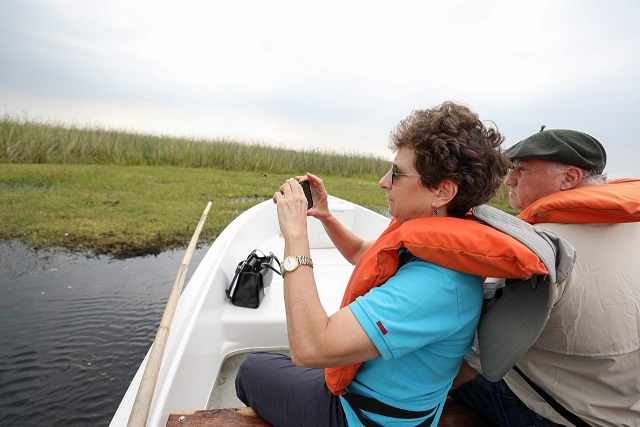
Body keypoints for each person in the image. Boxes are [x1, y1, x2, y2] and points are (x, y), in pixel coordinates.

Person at [234, 101, 547, 427]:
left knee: (253, 368)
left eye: (396, 173)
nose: (384, 182)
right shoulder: (441, 248)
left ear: (442, 192)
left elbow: (310, 348)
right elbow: (361, 253)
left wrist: (296, 234)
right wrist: (325, 216)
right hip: (385, 400)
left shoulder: (436, 286)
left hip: (359, 417)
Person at [450, 129, 640, 427]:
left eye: (521, 170)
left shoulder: (539, 249)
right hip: (623, 406)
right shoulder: (632, 225)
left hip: (565, 416)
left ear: (569, 178)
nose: (509, 180)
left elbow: (482, 352)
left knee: (435, 352)